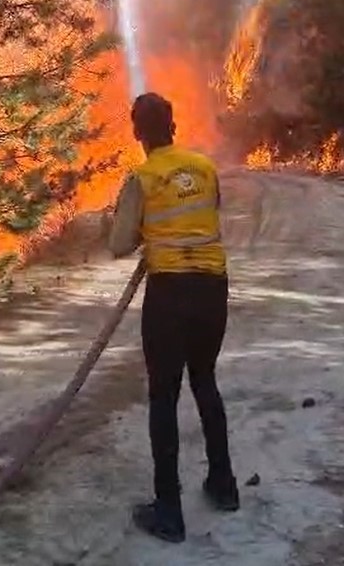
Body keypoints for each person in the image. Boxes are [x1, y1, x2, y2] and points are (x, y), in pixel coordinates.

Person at [109, 92, 239, 544]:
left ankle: (169, 510)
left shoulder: (141, 177)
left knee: (163, 395)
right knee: (204, 379)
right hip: (212, 285)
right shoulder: (204, 167)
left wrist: (148, 231)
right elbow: (210, 212)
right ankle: (224, 485)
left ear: (137, 132)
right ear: (174, 126)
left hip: (170, 292)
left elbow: (119, 243)